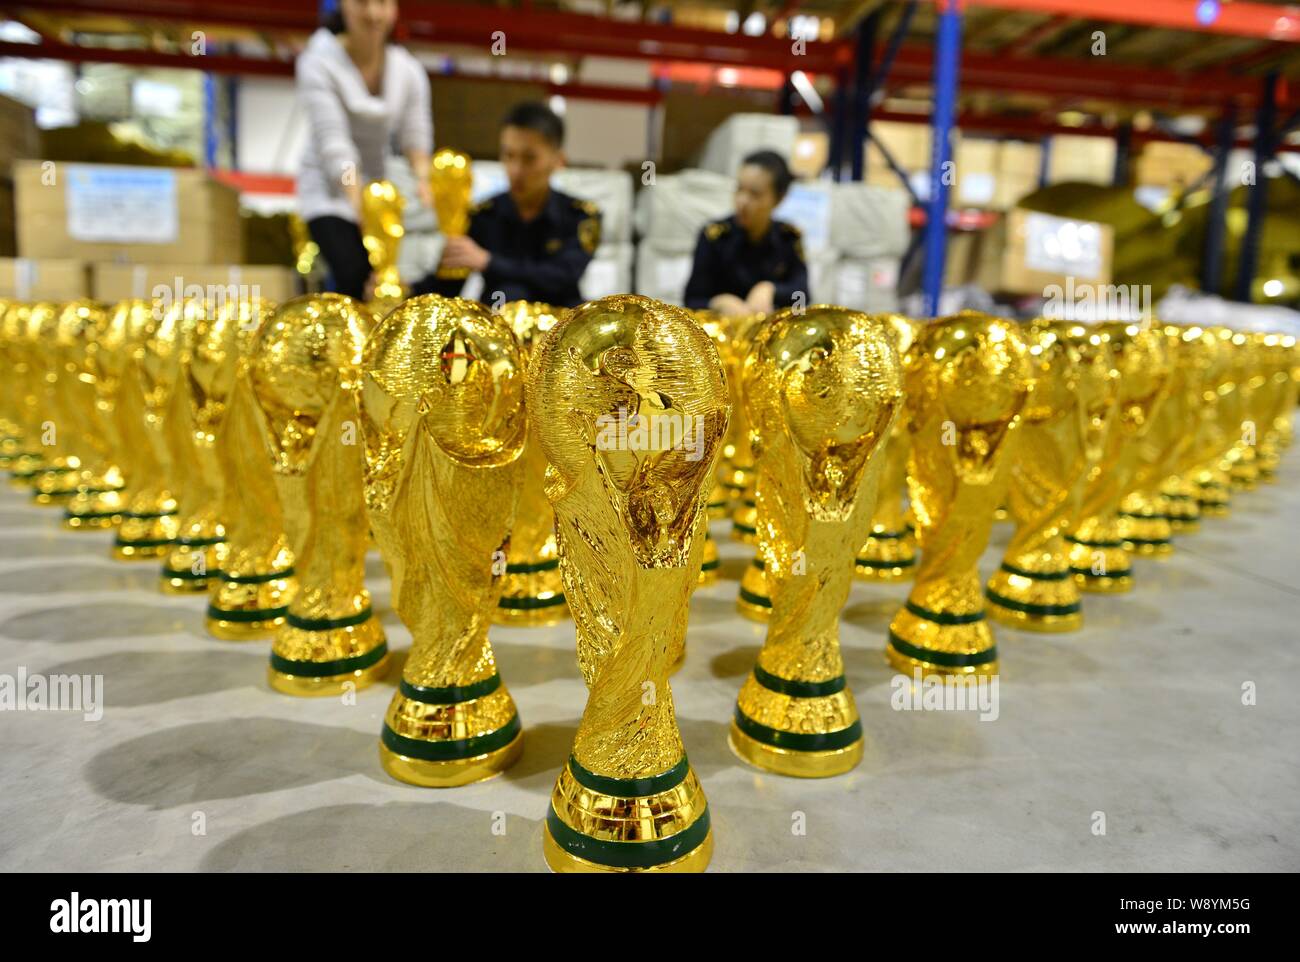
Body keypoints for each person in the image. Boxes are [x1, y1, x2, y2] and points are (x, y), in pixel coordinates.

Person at [295, 0, 432, 300]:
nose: (373, 14)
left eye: (382, 3)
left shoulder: (408, 70)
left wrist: (424, 185)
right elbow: (335, 146)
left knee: (400, 274)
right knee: (354, 274)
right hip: (331, 190)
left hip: (378, 192)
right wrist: (363, 211)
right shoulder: (318, 61)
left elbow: (416, 139)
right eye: (361, 3)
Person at [419, 101, 600, 308]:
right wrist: (396, 287)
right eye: (508, 155)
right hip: (498, 325)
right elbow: (447, 287)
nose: (515, 170)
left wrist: (489, 262)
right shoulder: (483, 214)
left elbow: (563, 276)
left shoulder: (581, 216)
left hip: (559, 326)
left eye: (529, 158)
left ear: (558, 161)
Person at [683, 150, 809, 316]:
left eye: (755, 194)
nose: (742, 201)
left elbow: (802, 295)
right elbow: (691, 299)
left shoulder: (789, 237)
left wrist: (771, 289)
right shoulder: (714, 236)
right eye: (739, 189)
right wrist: (718, 302)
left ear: (779, 198)